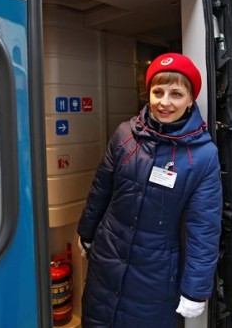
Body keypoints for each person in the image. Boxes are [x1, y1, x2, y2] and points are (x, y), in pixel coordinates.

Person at [76, 53, 223, 326]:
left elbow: (203, 226)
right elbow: (101, 189)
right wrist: (86, 232)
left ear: (191, 99)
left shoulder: (202, 156)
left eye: (176, 94)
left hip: (155, 276)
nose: (165, 102)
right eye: (158, 92)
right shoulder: (124, 135)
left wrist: (196, 289)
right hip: (106, 261)